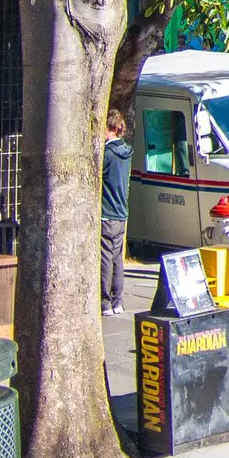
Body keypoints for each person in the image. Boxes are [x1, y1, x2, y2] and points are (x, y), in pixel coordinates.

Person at [101, 109, 131, 316]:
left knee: (105, 257)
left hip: (107, 212)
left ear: (108, 128)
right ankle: (117, 300)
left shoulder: (108, 153)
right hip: (121, 212)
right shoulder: (126, 151)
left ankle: (105, 301)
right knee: (117, 258)